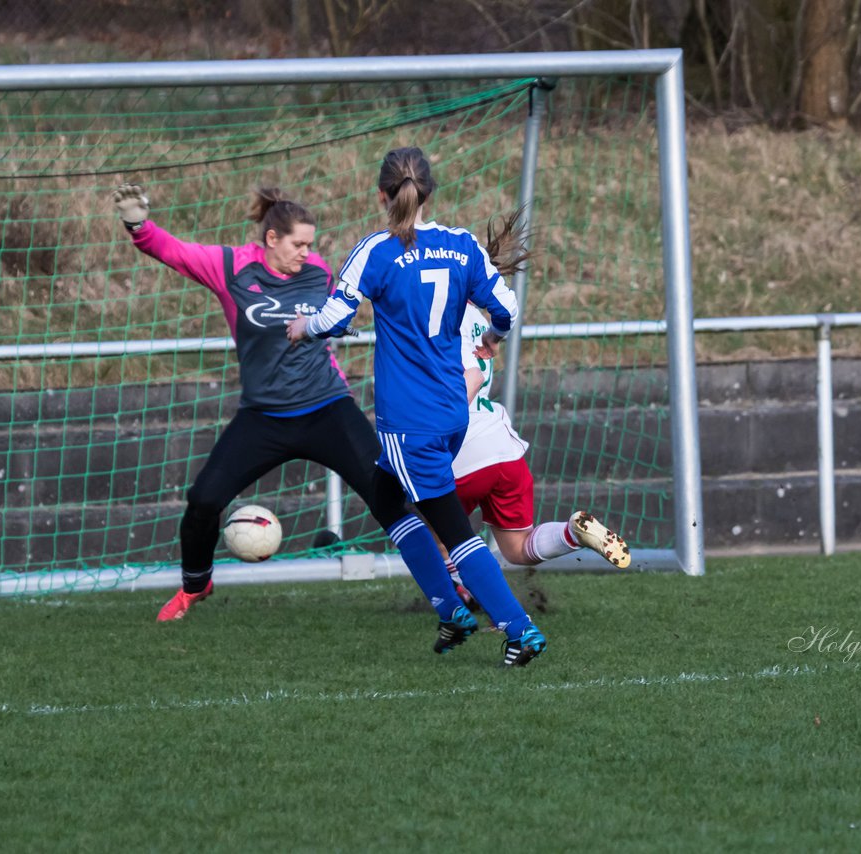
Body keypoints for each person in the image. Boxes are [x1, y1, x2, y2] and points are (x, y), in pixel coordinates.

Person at [111, 182, 462, 627]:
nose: (306, 252)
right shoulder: (231, 267)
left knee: (392, 496)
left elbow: (348, 306)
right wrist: (138, 226)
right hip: (263, 417)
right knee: (203, 499)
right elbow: (173, 251)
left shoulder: (319, 271)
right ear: (271, 239)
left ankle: (451, 582)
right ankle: (196, 584)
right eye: (298, 243)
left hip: (327, 407)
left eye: (310, 244)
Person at [286, 146, 546, 667]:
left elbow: (336, 315)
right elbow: (507, 309)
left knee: (450, 527)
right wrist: (491, 337)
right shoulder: (461, 245)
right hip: (450, 411)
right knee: (385, 496)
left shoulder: (377, 249)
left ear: (382, 195)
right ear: (429, 192)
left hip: (410, 422)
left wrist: (303, 327)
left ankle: (519, 629)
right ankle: (451, 610)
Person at [445, 300, 630, 608]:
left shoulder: (437, 310)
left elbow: (465, 380)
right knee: (517, 548)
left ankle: (471, 592)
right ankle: (572, 532)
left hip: (461, 445)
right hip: (504, 447)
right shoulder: (478, 317)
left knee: (431, 530)